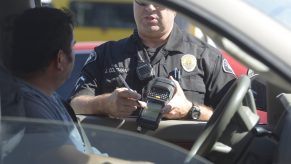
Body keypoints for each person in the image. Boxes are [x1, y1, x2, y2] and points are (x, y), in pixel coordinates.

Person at [8, 7, 151, 164]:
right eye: (73, 46)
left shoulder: (44, 97)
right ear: (60, 59)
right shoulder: (29, 106)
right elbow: (67, 158)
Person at [70, 0, 236, 121]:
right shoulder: (106, 54)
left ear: (176, 7)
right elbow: (74, 105)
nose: (149, 7)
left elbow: (236, 120)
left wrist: (190, 110)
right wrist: (106, 104)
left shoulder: (206, 57)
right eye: (142, 1)